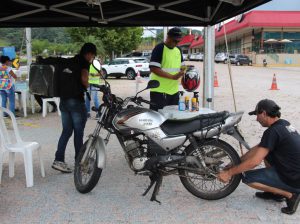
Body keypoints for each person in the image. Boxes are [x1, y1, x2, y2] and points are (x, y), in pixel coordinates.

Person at [218, 99, 300, 215]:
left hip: (293, 180)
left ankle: (290, 195)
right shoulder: (284, 124)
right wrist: (235, 162)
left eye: (257, 115)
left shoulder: (272, 131)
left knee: (247, 177)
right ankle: (274, 193)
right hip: (295, 172)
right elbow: (258, 148)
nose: (256, 119)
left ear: (264, 113)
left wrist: (229, 173)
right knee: (267, 153)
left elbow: (254, 162)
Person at [51, 43, 97, 173]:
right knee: (78, 133)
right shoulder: (83, 63)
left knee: (66, 131)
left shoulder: (69, 61)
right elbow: (84, 79)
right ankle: (80, 161)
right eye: (92, 56)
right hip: (76, 101)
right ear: (89, 53)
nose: (91, 58)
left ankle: (58, 160)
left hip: (64, 101)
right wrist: (87, 84)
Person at [149, 27, 185, 111]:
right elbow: (154, 68)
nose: (176, 43)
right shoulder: (159, 48)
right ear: (168, 37)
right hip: (159, 91)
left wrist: (185, 71)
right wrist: (173, 77)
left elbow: (182, 65)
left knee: (173, 118)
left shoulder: (178, 49)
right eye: (175, 41)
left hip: (174, 91)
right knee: (158, 118)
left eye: (178, 41)